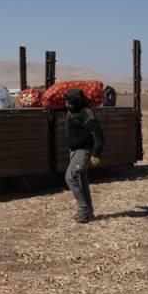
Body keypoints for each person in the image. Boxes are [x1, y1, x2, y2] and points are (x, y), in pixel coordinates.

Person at [63, 88, 104, 223]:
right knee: (82, 182)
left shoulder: (86, 113)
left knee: (70, 177)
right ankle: (89, 214)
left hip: (84, 150)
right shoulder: (71, 110)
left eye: (69, 102)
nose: (66, 105)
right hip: (74, 151)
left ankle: (83, 208)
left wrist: (96, 153)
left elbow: (98, 134)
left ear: (77, 102)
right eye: (66, 102)